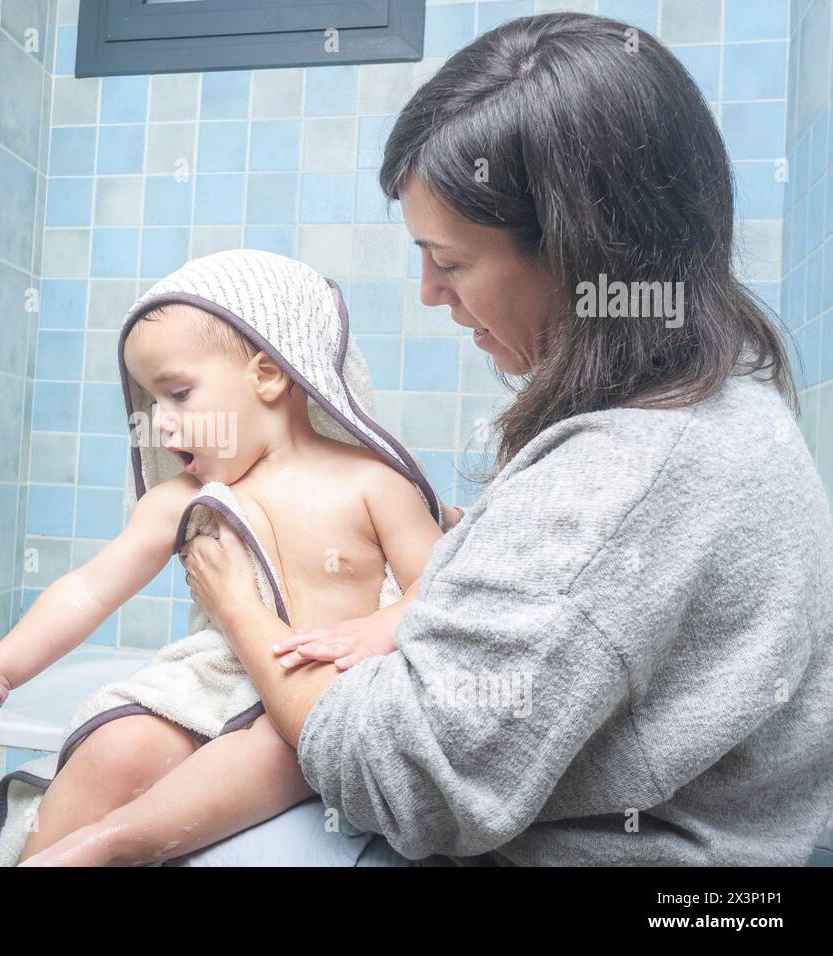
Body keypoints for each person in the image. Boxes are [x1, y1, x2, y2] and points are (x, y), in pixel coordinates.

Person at [175, 12, 833, 866]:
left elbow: (397, 777)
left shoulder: (630, 469)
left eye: (448, 262)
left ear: (582, 255)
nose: (426, 294)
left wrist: (237, 605)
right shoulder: (725, 401)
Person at [0, 264, 457, 865]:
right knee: (115, 747)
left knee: (288, 742)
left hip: (315, 695)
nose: (160, 421)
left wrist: (376, 629)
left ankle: (108, 847)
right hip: (218, 682)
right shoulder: (185, 500)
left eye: (178, 393)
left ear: (269, 374)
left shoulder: (371, 482)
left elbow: (437, 592)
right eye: (148, 400)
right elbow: (90, 589)